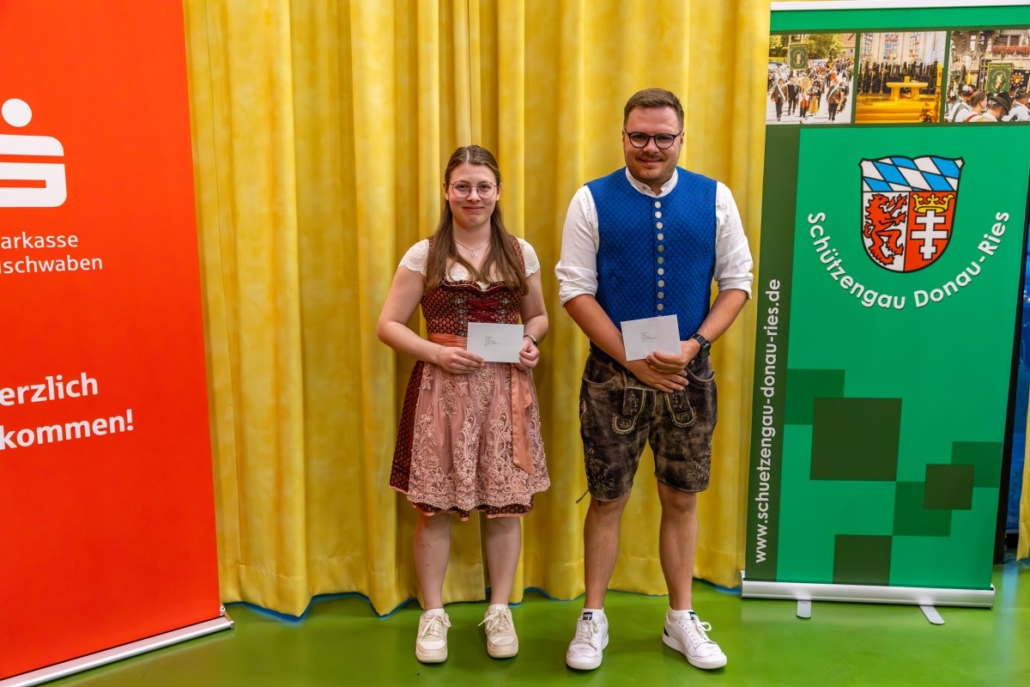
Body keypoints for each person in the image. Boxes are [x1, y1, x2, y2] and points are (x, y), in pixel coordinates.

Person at [555, 88, 753, 673]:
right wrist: (629, 358)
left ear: (681, 138)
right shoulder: (590, 200)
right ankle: (593, 616)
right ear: (623, 137)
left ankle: (680, 617)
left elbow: (737, 281)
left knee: (681, 498)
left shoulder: (715, 197)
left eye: (663, 137)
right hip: (610, 378)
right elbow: (575, 289)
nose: (651, 147)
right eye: (639, 136)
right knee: (607, 498)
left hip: (687, 375)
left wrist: (696, 344)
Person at [377, 144, 550, 664]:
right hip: (442, 392)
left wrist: (530, 341)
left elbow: (538, 316)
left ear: (498, 192)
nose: (473, 196)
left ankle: (499, 610)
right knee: (433, 509)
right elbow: (388, 324)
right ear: (447, 191)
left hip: (504, 392)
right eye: (463, 186)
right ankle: (433, 614)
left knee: (504, 508)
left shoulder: (519, 252)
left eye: (483, 187)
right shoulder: (424, 254)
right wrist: (436, 353)